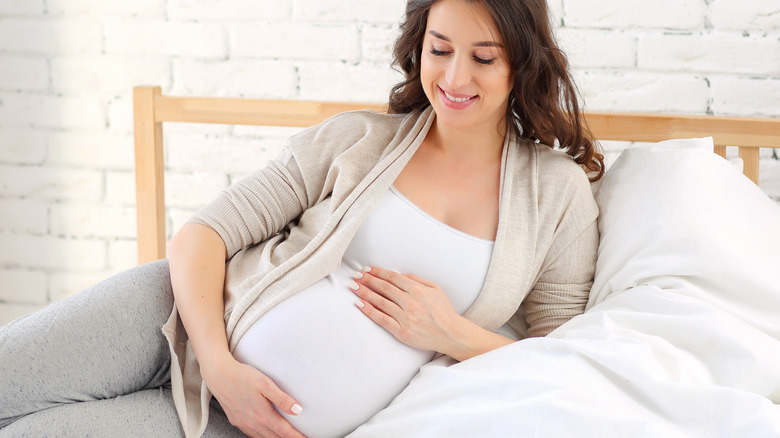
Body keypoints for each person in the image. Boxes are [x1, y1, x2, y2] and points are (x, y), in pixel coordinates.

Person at [0, 0, 603, 437]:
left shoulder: (556, 195)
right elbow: (203, 233)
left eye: (483, 58)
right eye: (439, 50)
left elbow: (564, 358)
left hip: (246, 427)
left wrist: (450, 334)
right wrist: (219, 365)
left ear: (521, 66)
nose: (454, 77)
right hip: (178, 319)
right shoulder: (358, 139)